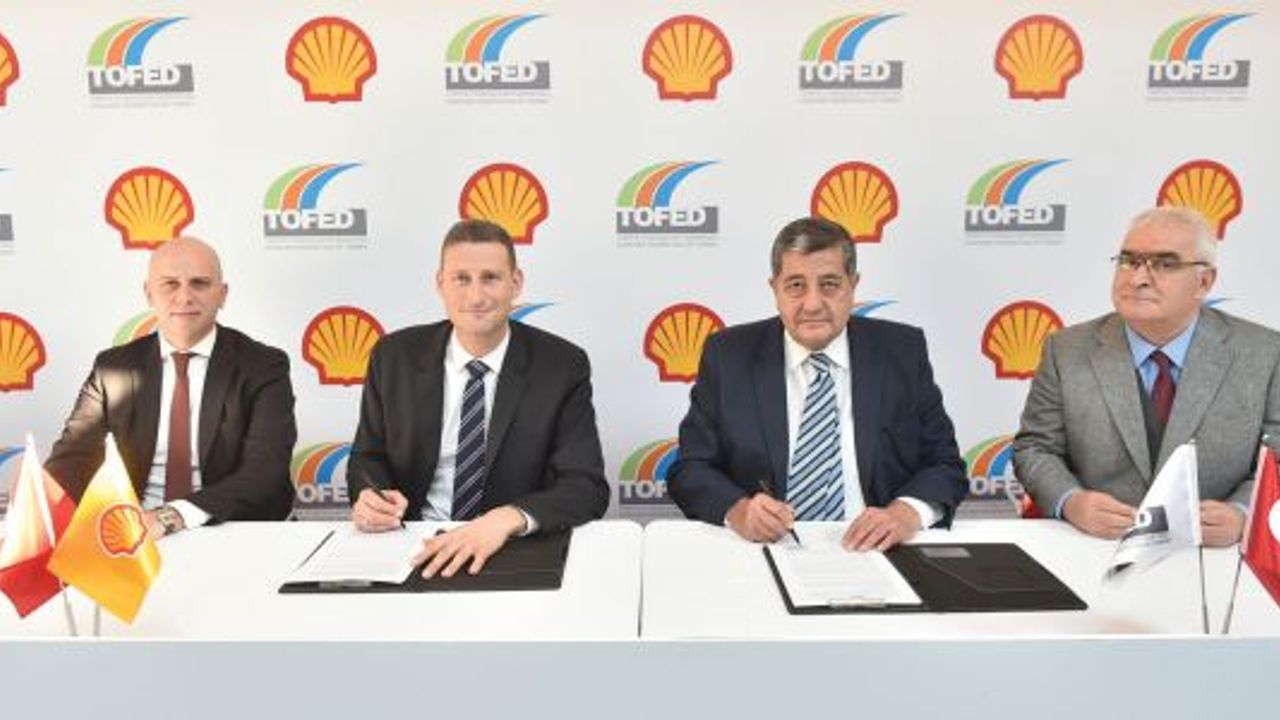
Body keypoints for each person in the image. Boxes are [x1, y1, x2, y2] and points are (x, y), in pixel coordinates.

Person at [667, 217, 967, 551]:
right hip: (765, 550)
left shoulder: (902, 351)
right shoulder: (728, 356)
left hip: (878, 550)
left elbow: (945, 465)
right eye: (796, 285)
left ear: (853, 285)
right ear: (775, 289)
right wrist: (739, 511)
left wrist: (904, 514)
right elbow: (690, 469)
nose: (812, 304)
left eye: (829, 284)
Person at [348, 219, 609, 577]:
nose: (475, 297)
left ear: (515, 283)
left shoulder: (562, 366)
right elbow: (367, 457)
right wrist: (371, 498)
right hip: (413, 543)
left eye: (490, 278)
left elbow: (585, 486)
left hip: (510, 546)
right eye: (461, 278)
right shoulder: (394, 356)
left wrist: (507, 518)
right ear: (440, 283)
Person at [1014, 206, 1280, 546]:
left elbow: (1276, 459)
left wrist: (1243, 512)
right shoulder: (1066, 350)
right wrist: (1071, 501)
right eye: (1129, 261)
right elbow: (1035, 448)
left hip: (1212, 555)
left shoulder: (1265, 353)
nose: (1138, 278)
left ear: (1204, 281)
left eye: (1165, 264)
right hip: (1095, 547)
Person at [45, 236, 298, 536]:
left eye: (200, 283)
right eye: (170, 284)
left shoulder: (263, 365)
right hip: (133, 534)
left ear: (222, 295)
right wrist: (37, 511)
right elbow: (72, 459)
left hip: (231, 528)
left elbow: (264, 472)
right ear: (148, 294)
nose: (184, 297)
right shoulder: (112, 367)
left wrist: (171, 516)